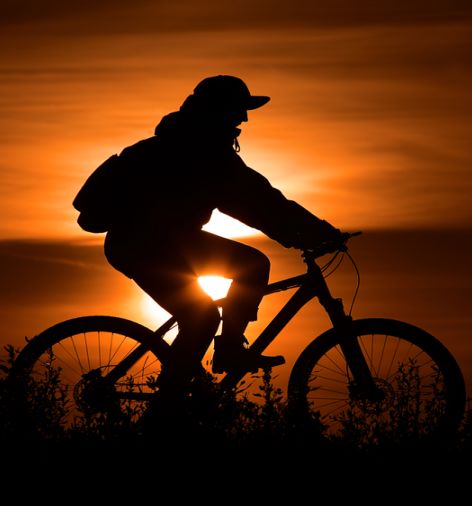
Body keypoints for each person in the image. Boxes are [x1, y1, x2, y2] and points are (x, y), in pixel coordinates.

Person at [102, 75, 341, 379]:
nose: (244, 117)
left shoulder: (190, 141)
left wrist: (300, 232)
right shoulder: (200, 149)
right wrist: (312, 232)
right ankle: (197, 379)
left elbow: (254, 200)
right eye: (238, 109)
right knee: (236, 281)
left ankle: (187, 380)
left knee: (202, 314)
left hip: (156, 241)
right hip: (147, 243)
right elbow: (255, 200)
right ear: (218, 109)